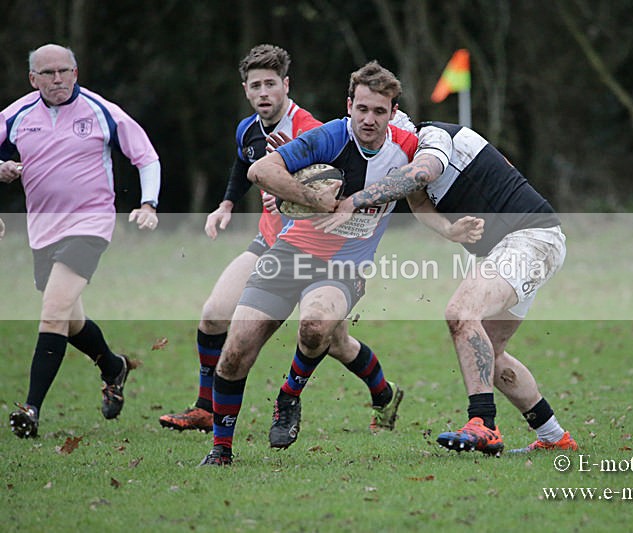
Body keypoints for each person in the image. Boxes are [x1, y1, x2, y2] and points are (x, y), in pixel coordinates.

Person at [158, 45, 404, 439]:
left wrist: (299, 194)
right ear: (245, 90)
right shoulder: (248, 128)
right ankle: (207, 410)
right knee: (216, 317)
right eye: (255, 85)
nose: (263, 93)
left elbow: (335, 176)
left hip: (325, 252)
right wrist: (226, 204)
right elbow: (247, 164)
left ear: (286, 85)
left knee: (326, 334)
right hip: (272, 245)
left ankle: (376, 394)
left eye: (270, 84)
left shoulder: (314, 130)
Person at [329, 121, 578, 455]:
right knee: (489, 350)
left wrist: (354, 201)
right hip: (517, 246)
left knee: (461, 313)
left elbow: (419, 176)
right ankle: (554, 437)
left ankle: (483, 424)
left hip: (530, 239)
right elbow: (419, 204)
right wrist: (448, 230)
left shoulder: (434, 137)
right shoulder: (406, 158)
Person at [0, 44, 161, 438]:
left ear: (76, 71)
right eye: (48, 73)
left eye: (64, 71)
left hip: (91, 223)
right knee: (69, 320)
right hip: (42, 230)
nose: (58, 80)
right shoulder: (15, 116)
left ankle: (31, 409)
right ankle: (112, 366)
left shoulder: (101, 111)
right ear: (32, 79)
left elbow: (146, 157)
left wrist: (148, 203)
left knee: (53, 313)